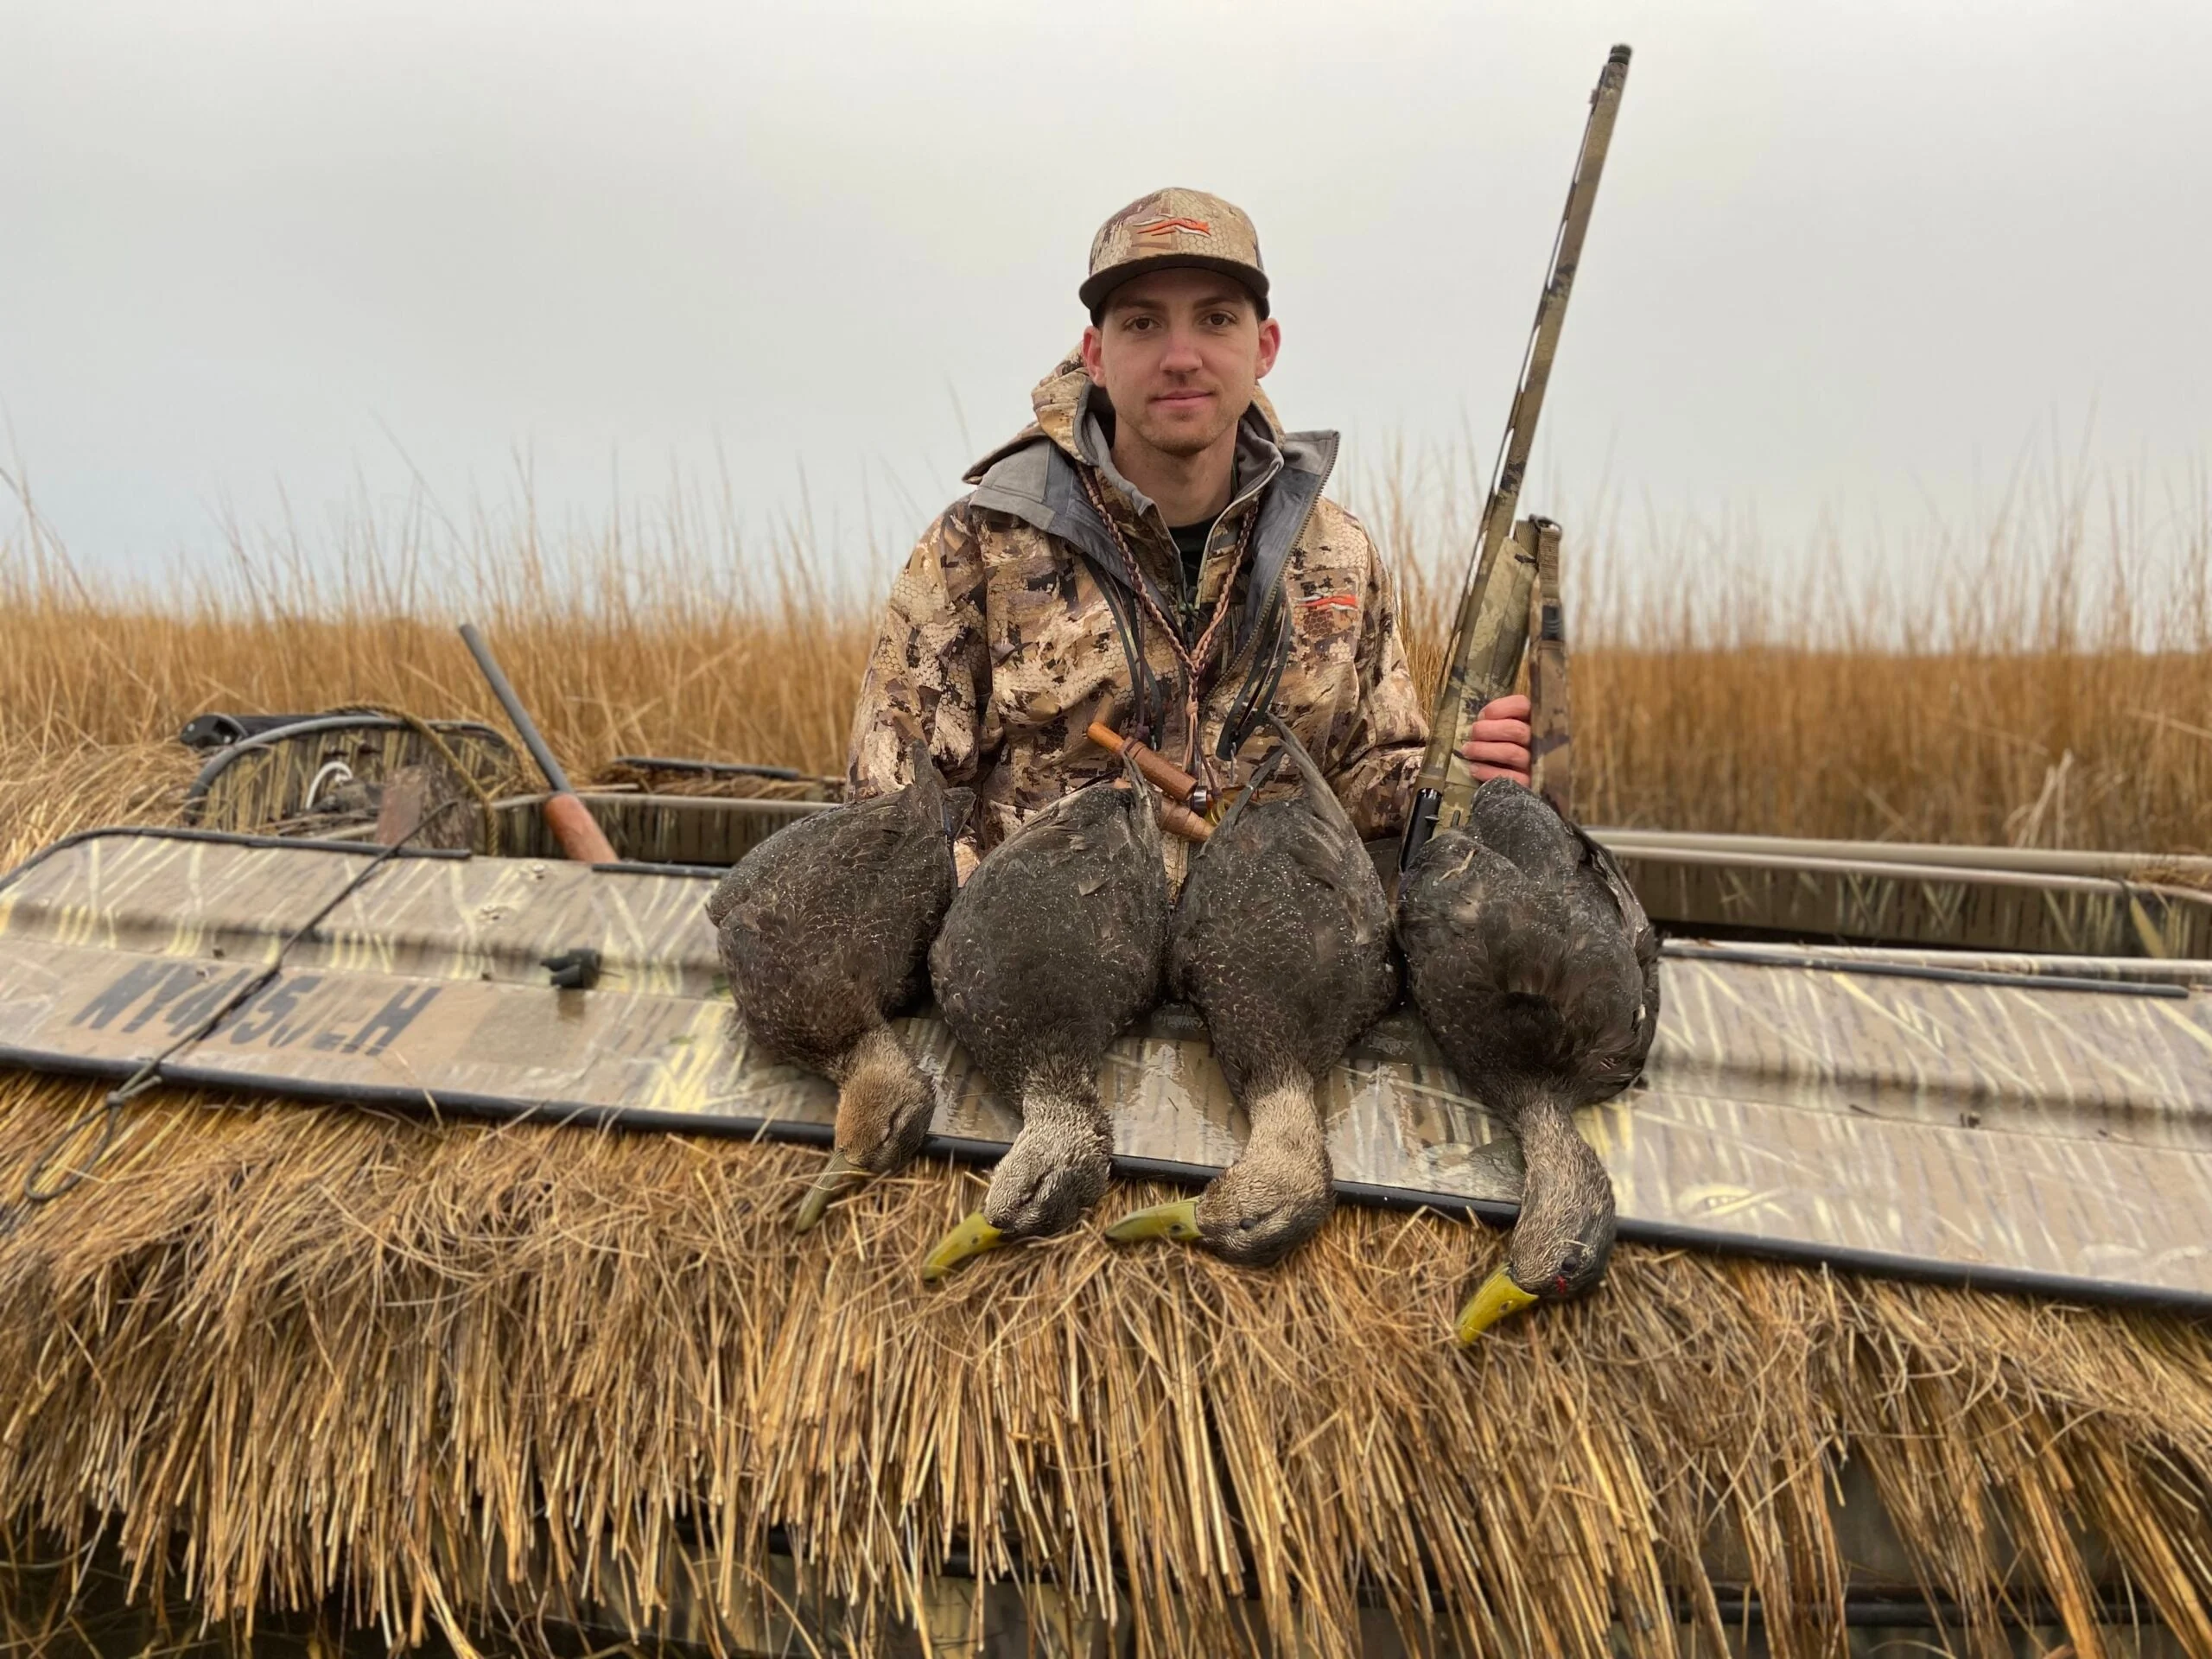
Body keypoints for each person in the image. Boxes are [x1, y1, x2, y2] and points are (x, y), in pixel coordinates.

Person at [846, 187, 1531, 879]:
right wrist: (1013, 918)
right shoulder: (978, 548)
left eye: (1215, 320)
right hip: (1043, 971)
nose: (1181, 356)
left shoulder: (1337, 555)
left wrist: (1459, 767)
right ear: (1095, 354)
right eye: (1143, 324)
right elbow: (892, 809)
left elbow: (1366, 777)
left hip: (1274, 962)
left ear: (1263, 347)